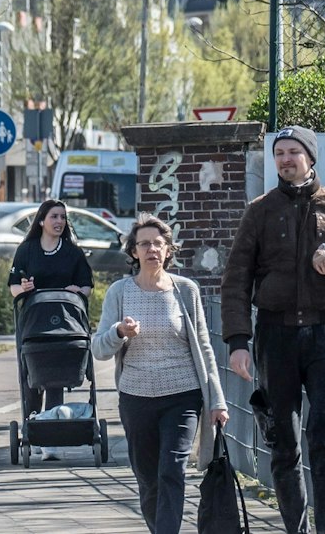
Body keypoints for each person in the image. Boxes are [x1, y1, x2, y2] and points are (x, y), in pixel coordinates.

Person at [221, 125, 325, 534]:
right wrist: (238, 342)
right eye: (279, 153)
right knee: (283, 443)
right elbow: (236, 279)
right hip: (276, 335)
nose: (285, 159)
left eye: (293, 152)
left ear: (311, 156)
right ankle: (296, 529)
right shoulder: (260, 211)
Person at [91, 214, 228, 533]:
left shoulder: (186, 290)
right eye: (144, 244)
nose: (151, 248)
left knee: (172, 470)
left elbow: (205, 348)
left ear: (168, 249)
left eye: (158, 243)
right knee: (148, 478)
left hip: (182, 397)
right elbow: (99, 348)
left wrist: (216, 400)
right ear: (134, 251)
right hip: (136, 398)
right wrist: (120, 332)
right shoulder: (119, 292)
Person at [8, 199, 94, 458]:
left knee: (55, 377)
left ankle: (51, 440)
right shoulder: (27, 250)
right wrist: (22, 289)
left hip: (66, 324)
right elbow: (12, 285)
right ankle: (34, 431)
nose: (59, 221)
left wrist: (77, 290)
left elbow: (87, 286)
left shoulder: (73, 252)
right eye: (54, 216)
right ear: (42, 220)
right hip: (34, 323)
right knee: (33, 380)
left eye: (63, 217)